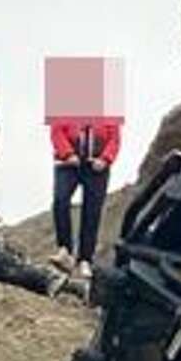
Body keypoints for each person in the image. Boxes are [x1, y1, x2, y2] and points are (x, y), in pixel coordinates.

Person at [48, 111, 121, 280]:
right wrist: (67, 153)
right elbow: (56, 131)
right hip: (67, 162)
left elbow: (115, 138)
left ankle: (85, 259)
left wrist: (105, 159)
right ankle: (64, 250)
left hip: (97, 165)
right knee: (60, 200)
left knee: (92, 211)